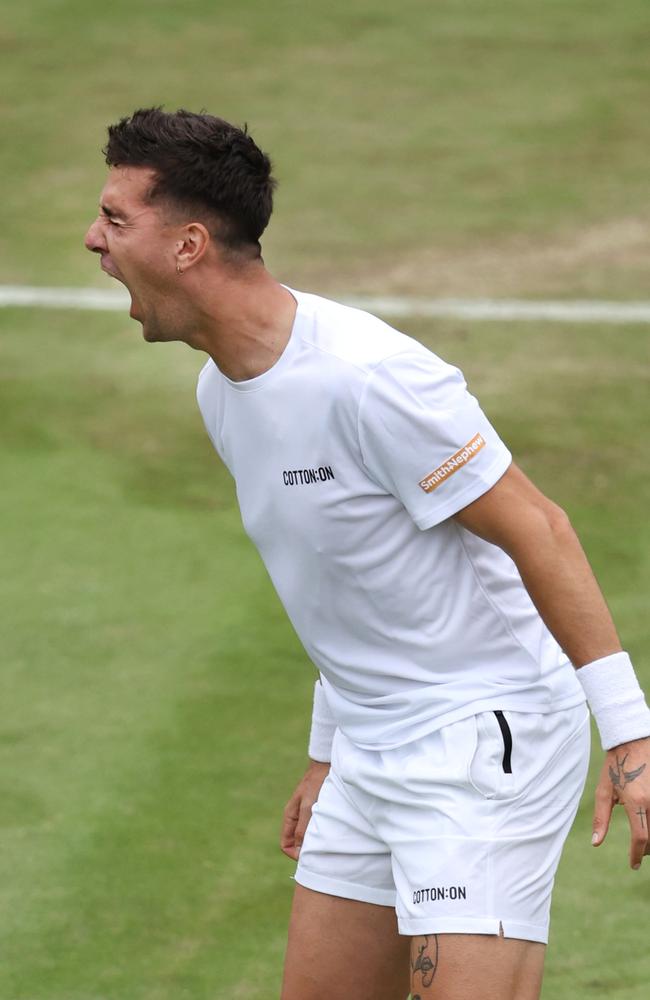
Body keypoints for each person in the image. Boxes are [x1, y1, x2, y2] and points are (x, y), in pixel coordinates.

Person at [84, 107, 650, 1000]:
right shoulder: (222, 392)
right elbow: (345, 582)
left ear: (189, 244)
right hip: (370, 747)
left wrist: (630, 732)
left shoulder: (371, 378)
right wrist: (326, 752)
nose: (93, 239)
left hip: (481, 736)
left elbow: (540, 527)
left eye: (116, 220)